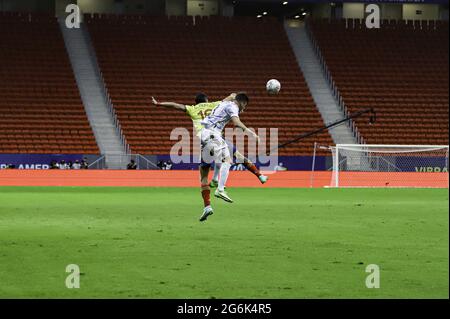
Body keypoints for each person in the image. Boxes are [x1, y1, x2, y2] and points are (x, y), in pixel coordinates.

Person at [152, 93, 267, 222]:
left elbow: (176, 106)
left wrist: (159, 104)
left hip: (203, 140)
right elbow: (230, 99)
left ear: (196, 102)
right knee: (236, 156)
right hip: (215, 136)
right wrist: (234, 96)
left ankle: (207, 206)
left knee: (204, 175)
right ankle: (257, 175)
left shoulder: (193, 108)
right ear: (206, 100)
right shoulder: (215, 104)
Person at [199, 93, 259, 210]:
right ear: (242, 102)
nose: (244, 108)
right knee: (227, 161)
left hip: (206, 134)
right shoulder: (233, 107)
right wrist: (251, 133)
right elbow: (236, 122)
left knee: (226, 160)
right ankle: (220, 189)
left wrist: (233, 96)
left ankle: (218, 186)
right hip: (212, 134)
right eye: (245, 106)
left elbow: (230, 97)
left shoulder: (224, 103)